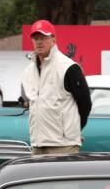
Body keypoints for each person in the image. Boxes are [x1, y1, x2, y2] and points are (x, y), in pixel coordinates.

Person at [20, 19, 91, 155]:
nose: (39, 42)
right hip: (37, 144)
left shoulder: (69, 67)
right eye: (35, 38)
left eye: (43, 37)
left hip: (64, 145)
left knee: (62, 177)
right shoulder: (28, 70)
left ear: (53, 39)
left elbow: (85, 103)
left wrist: (73, 130)